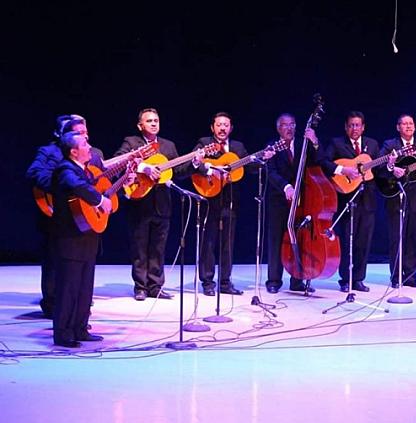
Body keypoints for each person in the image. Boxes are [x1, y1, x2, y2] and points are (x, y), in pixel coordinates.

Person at [264, 113, 355, 293]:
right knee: (276, 240)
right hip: (280, 201)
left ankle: (297, 279)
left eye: (292, 124)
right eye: (284, 125)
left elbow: (321, 160)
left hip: (303, 202)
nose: (289, 128)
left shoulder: (303, 144)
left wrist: (314, 141)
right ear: (278, 128)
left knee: (300, 238)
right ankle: (274, 281)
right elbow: (271, 172)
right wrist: (286, 187)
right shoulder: (272, 146)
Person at [26, 115, 104, 318]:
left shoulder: (93, 154)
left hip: (83, 218)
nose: (83, 136)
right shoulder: (49, 152)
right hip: (57, 213)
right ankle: (53, 305)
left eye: (85, 132)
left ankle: (77, 313)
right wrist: (58, 186)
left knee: (82, 270)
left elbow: (98, 181)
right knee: (54, 262)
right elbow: (34, 173)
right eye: (79, 132)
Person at [115, 108, 197, 301]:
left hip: (162, 205)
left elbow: (178, 171)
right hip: (139, 201)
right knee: (140, 247)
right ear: (140, 125)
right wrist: (145, 167)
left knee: (158, 248)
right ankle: (140, 287)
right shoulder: (132, 142)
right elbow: (120, 161)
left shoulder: (168, 146)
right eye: (149, 121)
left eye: (156, 120)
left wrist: (194, 163)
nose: (153, 123)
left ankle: (156, 286)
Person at [193, 112, 271, 296]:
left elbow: (249, 166)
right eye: (219, 125)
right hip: (209, 198)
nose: (222, 128)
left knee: (228, 242)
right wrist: (211, 170)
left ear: (231, 128)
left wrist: (264, 157)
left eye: (226, 125)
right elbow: (194, 164)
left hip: (230, 201)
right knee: (209, 242)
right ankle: (207, 282)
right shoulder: (204, 143)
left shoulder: (238, 147)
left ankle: (225, 282)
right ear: (212, 127)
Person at [49, 131, 112, 347]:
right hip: (70, 240)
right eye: (85, 143)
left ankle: (80, 328)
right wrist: (99, 200)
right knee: (69, 288)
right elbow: (80, 187)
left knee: (85, 287)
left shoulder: (83, 170)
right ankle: (63, 333)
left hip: (87, 238)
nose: (90, 146)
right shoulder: (65, 169)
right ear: (73, 151)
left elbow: (97, 187)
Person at [325, 111, 379, 292]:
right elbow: (325, 163)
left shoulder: (372, 144)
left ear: (363, 127)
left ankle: (358, 279)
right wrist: (343, 170)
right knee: (348, 239)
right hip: (347, 198)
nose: (354, 128)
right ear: (346, 127)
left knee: (364, 240)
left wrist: (390, 164)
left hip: (368, 199)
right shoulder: (336, 144)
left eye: (357, 125)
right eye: (351, 125)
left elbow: (377, 172)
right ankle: (345, 279)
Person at [378, 114, 416, 288]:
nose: (408, 126)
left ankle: (411, 277)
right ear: (398, 127)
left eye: (411, 123)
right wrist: (392, 168)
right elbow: (379, 168)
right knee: (397, 238)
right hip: (395, 197)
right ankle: (395, 277)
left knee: (414, 239)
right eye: (404, 123)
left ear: (415, 127)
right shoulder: (390, 145)